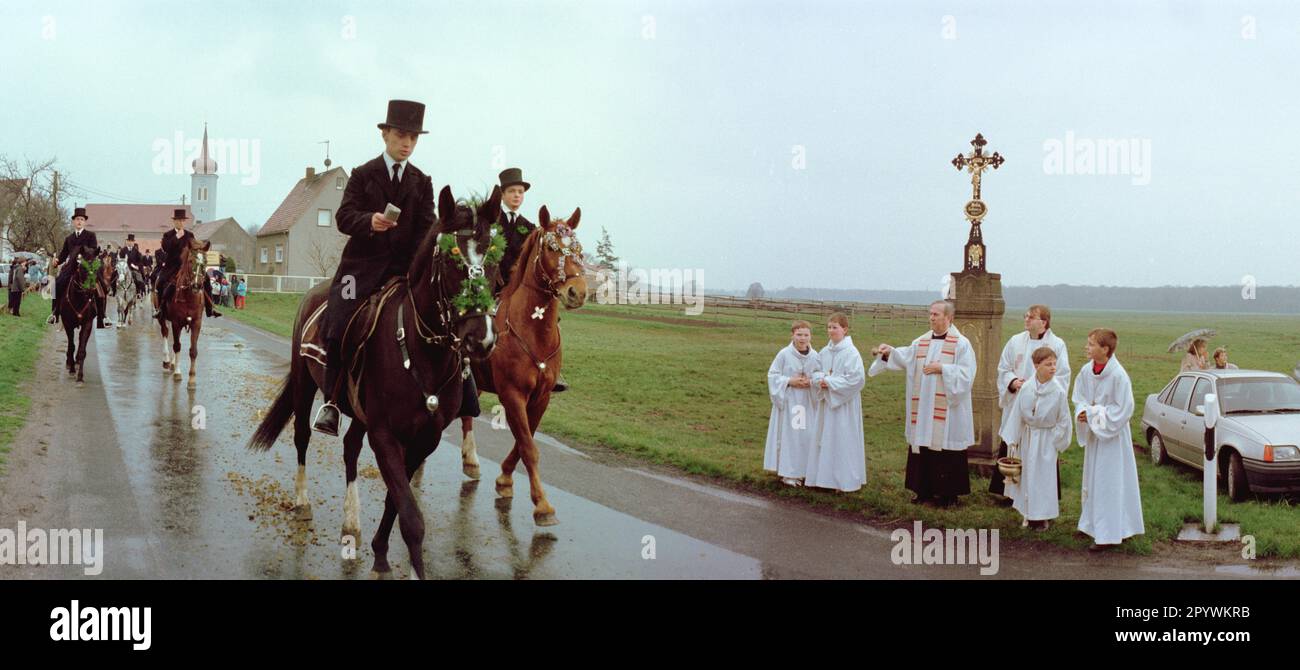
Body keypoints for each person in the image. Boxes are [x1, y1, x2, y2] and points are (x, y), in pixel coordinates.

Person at [313, 99, 437, 436]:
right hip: (360, 269)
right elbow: (343, 217)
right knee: (339, 318)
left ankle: (461, 399)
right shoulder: (363, 174)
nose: (407, 143)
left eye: (413, 137)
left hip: (405, 271)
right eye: (401, 135)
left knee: (441, 315)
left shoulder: (422, 182)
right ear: (385, 135)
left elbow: (427, 229)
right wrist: (371, 220)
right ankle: (332, 402)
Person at [868, 300, 977, 507]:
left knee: (945, 448)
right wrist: (889, 352)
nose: (931, 318)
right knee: (923, 444)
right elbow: (906, 357)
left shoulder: (961, 344)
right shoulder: (922, 341)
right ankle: (923, 491)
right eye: (930, 314)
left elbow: (967, 374)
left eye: (936, 314)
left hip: (947, 410)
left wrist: (943, 369)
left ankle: (948, 496)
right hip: (924, 406)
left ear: (949, 318)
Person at [1073, 328, 1144, 550]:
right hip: (1096, 437)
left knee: (1110, 484)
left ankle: (1110, 533)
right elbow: (1080, 397)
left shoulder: (1118, 375)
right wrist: (1082, 412)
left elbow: (1123, 409)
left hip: (1112, 439)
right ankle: (1093, 525)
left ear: (1105, 349)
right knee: (1094, 481)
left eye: (1092, 344)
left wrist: (1094, 415)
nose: (1087, 347)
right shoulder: (1086, 370)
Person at [990, 304, 1070, 500]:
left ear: (1043, 322)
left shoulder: (1057, 344)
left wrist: (1041, 392)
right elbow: (1004, 368)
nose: (1026, 319)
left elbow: (1062, 375)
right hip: (1017, 401)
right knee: (1014, 442)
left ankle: (1039, 495)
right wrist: (1012, 381)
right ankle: (1009, 492)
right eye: (1025, 316)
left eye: (1031, 317)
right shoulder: (1015, 341)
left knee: (1039, 450)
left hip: (1042, 409)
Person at [999, 348, 1072, 530]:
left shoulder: (1058, 391)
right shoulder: (1027, 388)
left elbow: (1064, 420)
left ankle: (1042, 516)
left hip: (1046, 439)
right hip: (1029, 437)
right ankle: (1027, 513)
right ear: (1036, 365)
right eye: (1048, 364)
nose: (1053, 368)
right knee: (1027, 477)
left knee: (1043, 478)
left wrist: (1055, 440)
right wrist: (1014, 440)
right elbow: (1017, 415)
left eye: (1054, 364)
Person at [804, 313, 866, 492]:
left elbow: (857, 379)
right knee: (825, 438)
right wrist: (819, 380)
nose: (831, 331)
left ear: (844, 330)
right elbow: (815, 371)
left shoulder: (851, 352)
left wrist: (829, 382)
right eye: (829, 327)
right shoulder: (824, 351)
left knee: (842, 439)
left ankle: (843, 481)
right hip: (827, 403)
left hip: (843, 404)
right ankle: (823, 478)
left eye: (835, 327)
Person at [763, 320, 822, 486]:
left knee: (805, 436)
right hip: (790, 402)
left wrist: (811, 382)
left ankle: (803, 471)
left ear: (810, 336)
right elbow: (773, 376)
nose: (802, 338)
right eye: (799, 334)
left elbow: (819, 375)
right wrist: (790, 380)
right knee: (791, 436)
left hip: (807, 402)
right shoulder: (784, 354)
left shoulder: (816, 356)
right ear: (792, 335)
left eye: (806, 335)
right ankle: (789, 472)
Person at [152, 208, 222, 320]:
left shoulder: (190, 235)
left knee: (206, 280)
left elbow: (194, 249)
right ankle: (160, 309)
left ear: (184, 222)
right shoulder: (168, 235)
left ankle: (210, 309)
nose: (180, 222)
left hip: (188, 266)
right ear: (174, 221)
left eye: (182, 220)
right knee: (160, 282)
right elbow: (166, 248)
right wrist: (177, 237)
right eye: (178, 220)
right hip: (172, 267)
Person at [49, 207, 100, 325]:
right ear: (73, 221)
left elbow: (93, 250)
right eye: (77, 219)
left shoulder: (90, 235)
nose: (79, 221)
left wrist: (83, 258)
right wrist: (57, 261)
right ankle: (54, 313)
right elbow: (63, 255)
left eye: (82, 219)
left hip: (87, 268)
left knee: (100, 285)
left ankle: (102, 316)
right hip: (71, 268)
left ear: (84, 222)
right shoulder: (69, 238)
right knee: (56, 283)